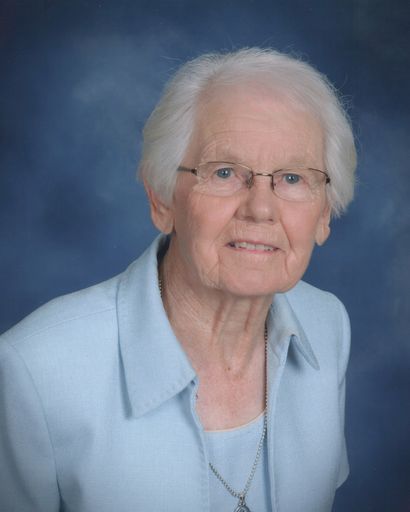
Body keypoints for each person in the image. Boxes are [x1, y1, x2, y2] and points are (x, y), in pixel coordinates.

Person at [0, 47, 356, 512]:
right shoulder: (34, 370)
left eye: (292, 178)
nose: (260, 209)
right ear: (162, 200)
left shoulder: (328, 325)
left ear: (324, 214)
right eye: (224, 172)